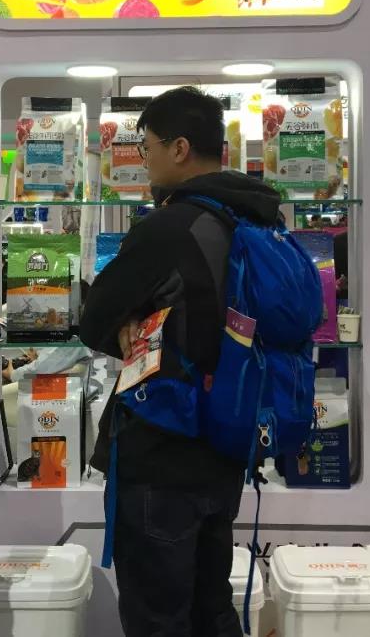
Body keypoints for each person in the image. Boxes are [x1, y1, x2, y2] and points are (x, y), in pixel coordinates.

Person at [79, 86, 281, 637]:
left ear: (180, 148)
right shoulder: (256, 218)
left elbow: (93, 317)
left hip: (161, 454)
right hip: (227, 447)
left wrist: (128, 324)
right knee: (211, 607)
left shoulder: (167, 228)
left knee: (157, 618)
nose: (143, 159)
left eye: (147, 147)